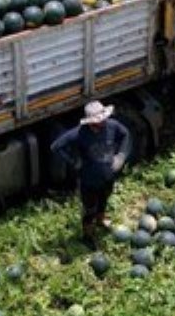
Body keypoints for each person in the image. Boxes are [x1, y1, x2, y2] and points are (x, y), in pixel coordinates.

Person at [51, 101, 132, 247]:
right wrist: (74, 162)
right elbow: (57, 146)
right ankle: (88, 235)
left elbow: (125, 134)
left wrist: (121, 155)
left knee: (104, 199)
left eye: (103, 120)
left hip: (108, 176)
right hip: (88, 180)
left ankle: (101, 220)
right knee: (89, 209)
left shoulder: (112, 126)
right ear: (90, 123)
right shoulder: (79, 133)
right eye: (97, 122)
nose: (101, 124)